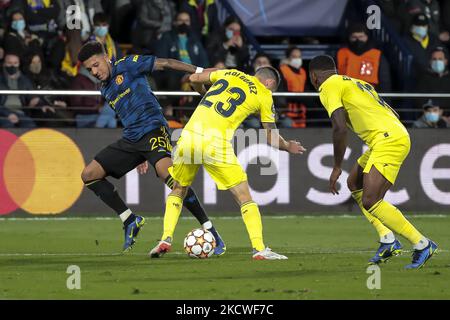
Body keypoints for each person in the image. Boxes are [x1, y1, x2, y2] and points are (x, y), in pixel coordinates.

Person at [77, 41, 225, 253]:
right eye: (89, 69)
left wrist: (200, 71)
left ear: (106, 56)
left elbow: (165, 63)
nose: (94, 71)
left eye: (96, 65)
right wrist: (140, 155)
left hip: (154, 130)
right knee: (89, 174)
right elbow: (127, 115)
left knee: (175, 181)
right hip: (131, 139)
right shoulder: (105, 89)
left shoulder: (128, 65)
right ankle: (129, 220)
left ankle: (211, 231)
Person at [149, 66, 306, 260]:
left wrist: (205, 95)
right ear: (269, 83)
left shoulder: (230, 73)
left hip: (187, 135)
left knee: (179, 189)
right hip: (214, 142)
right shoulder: (264, 93)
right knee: (244, 196)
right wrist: (287, 146)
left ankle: (165, 239)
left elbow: (194, 77)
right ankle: (259, 248)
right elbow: (272, 138)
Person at [309, 55, 438, 269]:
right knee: (354, 183)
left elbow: (339, 128)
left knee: (370, 200)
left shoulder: (328, 87)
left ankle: (422, 244)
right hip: (388, 136)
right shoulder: (358, 83)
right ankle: (387, 240)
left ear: (314, 76)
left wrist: (337, 166)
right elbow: (392, 112)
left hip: (388, 139)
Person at [337, 23, 391, 93]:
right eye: (354, 37)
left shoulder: (377, 55)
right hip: (346, 94)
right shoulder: (341, 53)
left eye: (361, 37)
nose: (358, 40)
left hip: (370, 95)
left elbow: (385, 81)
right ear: (349, 37)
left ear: (367, 37)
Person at [0, 52, 37, 128]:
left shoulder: (25, 80)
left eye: (15, 63)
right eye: (9, 63)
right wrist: (8, 114)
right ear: (4, 64)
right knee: (7, 125)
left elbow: (33, 97)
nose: (12, 66)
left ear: (19, 64)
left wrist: (43, 104)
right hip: (2, 113)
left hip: (20, 113)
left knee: (30, 126)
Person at [279, 46, 308, 128]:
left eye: (299, 57)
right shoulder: (283, 69)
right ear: (288, 58)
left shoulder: (303, 71)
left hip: (301, 110)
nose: (297, 59)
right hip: (287, 109)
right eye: (294, 57)